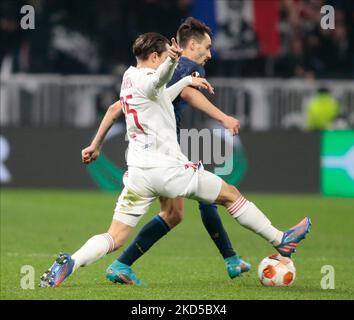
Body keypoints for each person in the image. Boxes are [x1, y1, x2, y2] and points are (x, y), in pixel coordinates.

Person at [40, 32, 311, 288]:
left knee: (115, 237)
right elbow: (158, 81)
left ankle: (71, 262)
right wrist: (173, 60)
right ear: (156, 56)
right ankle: (280, 240)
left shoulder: (129, 77)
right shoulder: (151, 77)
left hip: (138, 175)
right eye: (165, 57)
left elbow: (159, 94)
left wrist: (185, 81)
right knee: (230, 195)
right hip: (169, 170)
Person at [105, 17, 249, 285]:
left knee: (174, 214)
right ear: (192, 45)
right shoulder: (187, 66)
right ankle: (231, 259)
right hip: (164, 150)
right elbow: (188, 94)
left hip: (153, 147)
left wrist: (95, 143)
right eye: (206, 48)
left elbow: (116, 108)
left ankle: (121, 264)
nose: (209, 54)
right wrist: (224, 118)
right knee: (209, 195)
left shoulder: (152, 71)